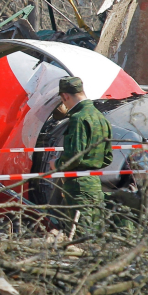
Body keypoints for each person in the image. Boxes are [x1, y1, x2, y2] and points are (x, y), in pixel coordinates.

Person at [50, 76, 112, 236]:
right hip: (95, 185)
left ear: (65, 96)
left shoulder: (78, 119)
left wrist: (56, 165)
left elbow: (74, 156)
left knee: (79, 238)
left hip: (78, 186)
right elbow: (107, 157)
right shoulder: (100, 117)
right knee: (95, 238)